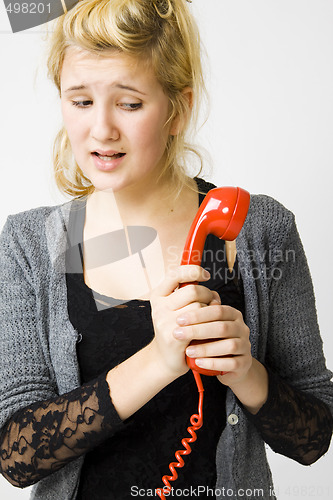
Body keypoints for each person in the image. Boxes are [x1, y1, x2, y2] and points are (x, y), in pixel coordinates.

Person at [0, 1, 332, 499]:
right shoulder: (27, 245)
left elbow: (314, 439)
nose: (101, 129)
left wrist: (246, 373)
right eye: (80, 101)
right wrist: (158, 360)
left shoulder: (260, 230)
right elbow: (15, 456)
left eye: (129, 104)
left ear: (177, 108)